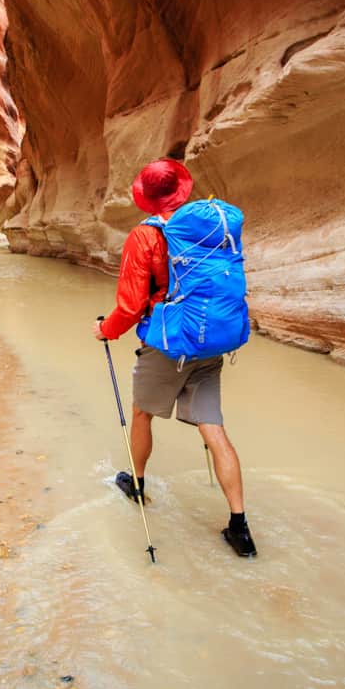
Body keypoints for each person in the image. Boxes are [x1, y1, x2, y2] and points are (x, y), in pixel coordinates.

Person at [93, 158, 257, 557]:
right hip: (210, 342)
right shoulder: (207, 229)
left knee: (142, 413)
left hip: (167, 345)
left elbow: (131, 306)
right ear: (182, 192)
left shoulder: (144, 238)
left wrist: (106, 330)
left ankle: (137, 482)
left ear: (146, 200)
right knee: (213, 428)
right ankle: (240, 527)